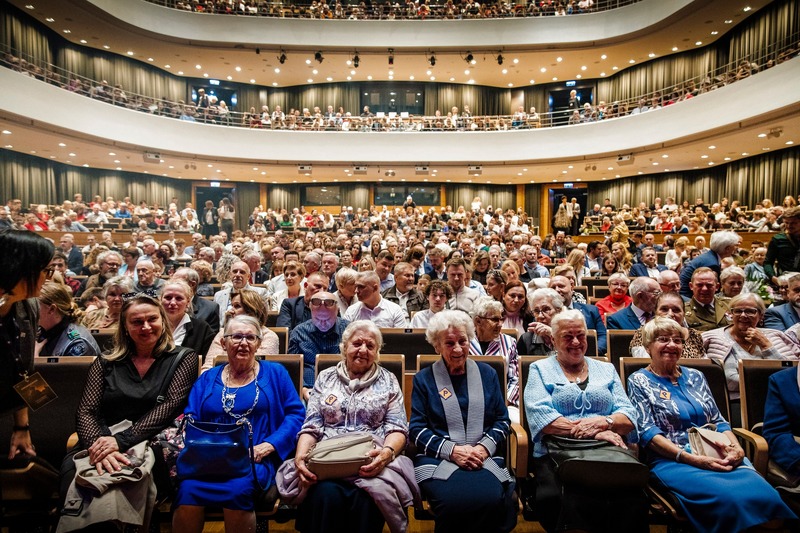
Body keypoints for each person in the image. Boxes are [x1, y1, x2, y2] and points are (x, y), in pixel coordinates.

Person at [627, 317, 796, 533]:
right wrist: (692, 459)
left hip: (718, 454)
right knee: (731, 501)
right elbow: (648, 433)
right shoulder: (639, 381)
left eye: (677, 340)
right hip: (674, 460)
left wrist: (737, 449)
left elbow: (718, 421)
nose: (672, 345)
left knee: (768, 498)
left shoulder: (696, 376)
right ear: (649, 346)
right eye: (663, 339)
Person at [59, 293, 199, 530]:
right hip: (100, 441)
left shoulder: (183, 358)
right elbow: (86, 411)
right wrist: (99, 447)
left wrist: (119, 442)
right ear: (124, 327)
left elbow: (169, 407)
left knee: (121, 480)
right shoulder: (105, 362)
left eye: (152, 319)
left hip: (153, 443)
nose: (146, 327)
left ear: (163, 321)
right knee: (75, 472)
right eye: (136, 322)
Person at [173, 315, 304, 532]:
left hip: (255, 460)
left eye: (250, 338)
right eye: (236, 337)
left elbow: (296, 415)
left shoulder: (276, 373)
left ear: (259, 344)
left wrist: (269, 445)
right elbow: (191, 418)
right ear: (223, 343)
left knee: (238, 490)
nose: (243, 343)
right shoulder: (207, 378)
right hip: (208, 461)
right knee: (187, 491)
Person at [525, 309, 646, 533]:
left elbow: (628, 415)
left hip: (608, 451)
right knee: (560, 498)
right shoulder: (539, 369)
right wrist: (595, 430)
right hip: (557, 453)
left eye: (580, 335)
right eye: (567, 336)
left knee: (631, 497)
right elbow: (543, 418)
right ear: (552, 340)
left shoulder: (606, 369)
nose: (575, 342)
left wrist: (604, 424)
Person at [290, 321, 415, 533]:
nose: (363, 350)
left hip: (371, 459)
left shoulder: (389, 380)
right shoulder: (325, 377)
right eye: (357, 343)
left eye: (370, 345)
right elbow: (312, 424)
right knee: (324, 495)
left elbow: (396, 427)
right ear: (344, 346)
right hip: (328, 461)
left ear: (377, 352)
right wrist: (301, 457)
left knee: (368, 497)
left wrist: (386, 453)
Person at [409, 310, 517, 532]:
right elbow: (417, 429)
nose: (457, 349)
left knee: (494, 499)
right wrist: (453, 451)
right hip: (437, 460)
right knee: (455, 503)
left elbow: (502, 420)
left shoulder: (488, 374)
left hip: (483, 458)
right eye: (449, 343)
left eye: (462, 341)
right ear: (437, 346)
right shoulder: (423, 379)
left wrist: (482, 448)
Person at [0, 230, 55, 459]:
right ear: (21, 270)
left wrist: (22, 427)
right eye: (46, 271)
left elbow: (25, 368)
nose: (49, 278)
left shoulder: (29, 305)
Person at [703, 293, 800, 404]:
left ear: (761, 315)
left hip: (778, 400)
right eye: (738, 311)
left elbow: (792, 374)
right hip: (734, 403)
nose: (743, 315)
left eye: (750, 311)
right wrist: (774, 382)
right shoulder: (713, 338)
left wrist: (766, 346)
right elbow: (728, 381)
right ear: (730, 314)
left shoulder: (775, 336)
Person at [287, 291, 349, 401]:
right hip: (309, 388)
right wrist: (303, 389)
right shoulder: (299, 332)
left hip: (344, 387)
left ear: (337, 311)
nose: (323, 324)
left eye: (327, 320)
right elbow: (293, 369)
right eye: (318, 319)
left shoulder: (349, 330)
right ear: (311, 311)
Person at [469, 297, 521, 423]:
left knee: (515, 420)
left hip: (502, 401)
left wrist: (505, 401)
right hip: (468, 400)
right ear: (478, 321)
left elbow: (516, 378)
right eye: (495, 319)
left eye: (501, 319)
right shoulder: (463, 342)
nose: (500, 324)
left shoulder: (509, 343)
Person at [202, 289, 280, 372]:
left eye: (237, 306)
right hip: (220, 381)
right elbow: (208, 367)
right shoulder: (223, 333)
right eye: (231, 306)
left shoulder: (268, 336)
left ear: (251, 310)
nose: (230, 311)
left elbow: (261, 370)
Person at [35, 278, 101, 357]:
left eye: (34, 306)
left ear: (52, 309)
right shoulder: (39, 331)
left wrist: (35, 360)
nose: (30, 311)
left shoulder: (77, 343)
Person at [629, 291, 705, 358]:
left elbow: (702, 365)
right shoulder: (643, 333)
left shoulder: (694, 335)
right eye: (664, 309)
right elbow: (641, 363)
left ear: (683, 313)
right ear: (655, 312)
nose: (670, 314)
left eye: (676, 310)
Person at [161, 279, 215, 360]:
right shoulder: (151, 326)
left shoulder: (202, 329)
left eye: (179, 298)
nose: (172, 302)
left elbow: (207, 361)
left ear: (188, 302)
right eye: (168, 297)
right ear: (160, 300)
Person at [518, 288, 563, 356]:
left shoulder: (569, 335)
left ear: (558, 311)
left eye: (546, 309)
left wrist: (552, 334)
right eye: (536, 311)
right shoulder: (526, 340)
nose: (540, 316)